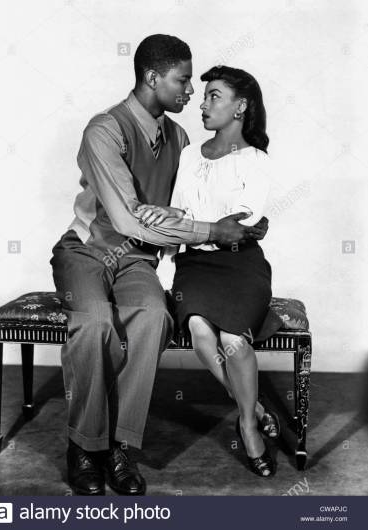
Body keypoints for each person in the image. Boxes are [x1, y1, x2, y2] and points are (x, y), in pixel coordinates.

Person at [50, 35, 269, 496]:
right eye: (183, 81)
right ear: (153, 78)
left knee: (152, 317)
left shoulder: (181, 139)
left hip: (139, 260)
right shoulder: (103, 130)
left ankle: (121, 449)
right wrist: (208, 231)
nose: (190, 92)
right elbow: (131, 218)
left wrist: (202, 219)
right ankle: (85, 446)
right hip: (89, 250)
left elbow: (176, 210)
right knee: (93, 323)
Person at [137, 66, 281, 477]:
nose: (202, 104)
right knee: (200, 332)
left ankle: (248, 427)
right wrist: (184, 222)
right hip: (195, 265)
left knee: (234, 340)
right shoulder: (188, 155)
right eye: (203, 96)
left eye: (214, 96)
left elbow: (244, 221)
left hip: (241, 264)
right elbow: (184, 214)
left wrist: (193, 221)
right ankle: (250, 406)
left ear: (242, 106)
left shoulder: (255, 160)